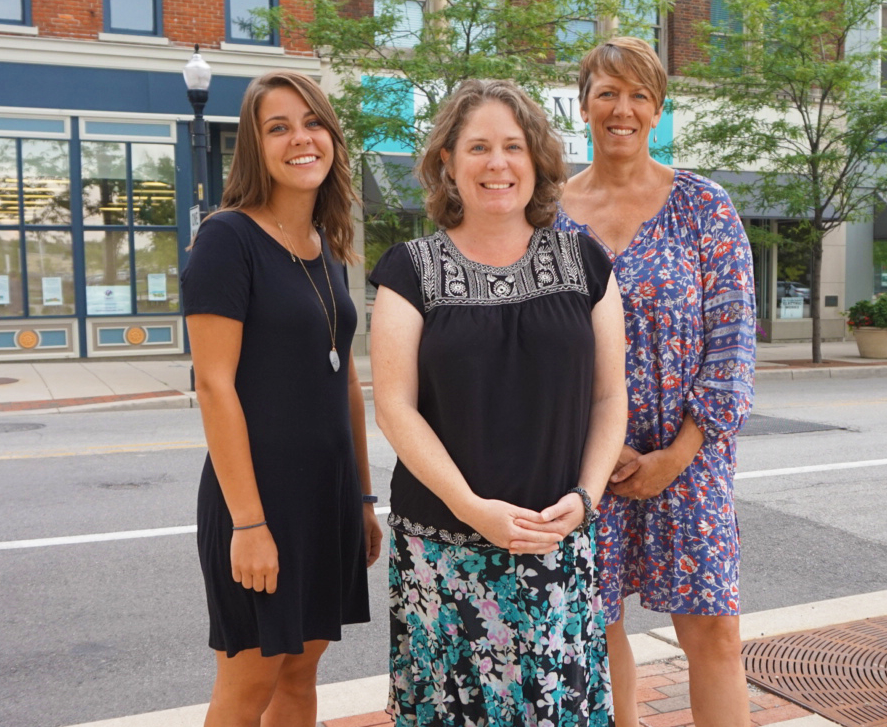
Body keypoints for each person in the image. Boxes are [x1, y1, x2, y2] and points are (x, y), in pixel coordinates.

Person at [369, 79, 628, 726]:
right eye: (478, 146)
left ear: (537, 159)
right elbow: (395, 407)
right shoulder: (410, 270)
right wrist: (471, 508)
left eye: (513, 146)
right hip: (444, 553)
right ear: (448, 163)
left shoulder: (584, 260)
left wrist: (587, 499)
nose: (497, 163)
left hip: (557, 544)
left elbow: (609, 394)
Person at [554, 36, 756, 727]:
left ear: (658, 109)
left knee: (714, 632)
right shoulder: (544, 214)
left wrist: (678, 455)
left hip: (687, 456)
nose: (623, 108)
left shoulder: (703, 206)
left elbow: (731, 344)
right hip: (582, 459)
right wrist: (593, 454)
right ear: (583, 105)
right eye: (607, 92)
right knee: (594, 627)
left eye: (639, 94)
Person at [181, 70, 381, 727]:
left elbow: (344, 381)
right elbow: (213, 386)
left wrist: (361, 498)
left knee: (300, 674)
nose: (302, 137)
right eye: (279, 126)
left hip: (326, 499)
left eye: (313, 121)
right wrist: (248, 523)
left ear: (332, 137)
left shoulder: (325, 247)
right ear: (255, 147)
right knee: (248, 687)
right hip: (258, 502)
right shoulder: (228, 239)